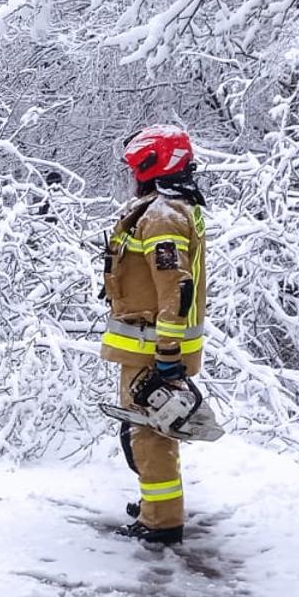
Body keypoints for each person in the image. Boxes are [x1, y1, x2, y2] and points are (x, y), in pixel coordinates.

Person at [100, 125, 209, 546]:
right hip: (146, 345)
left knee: (149, 435)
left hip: (152, 347)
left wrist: (167, 353)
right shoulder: (171, 208)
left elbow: (174, 288)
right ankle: (155, 507)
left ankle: (160, 523)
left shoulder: (163, 215)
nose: (132, 176)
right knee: (147, 431)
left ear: (152, 164)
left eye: (136, 167)